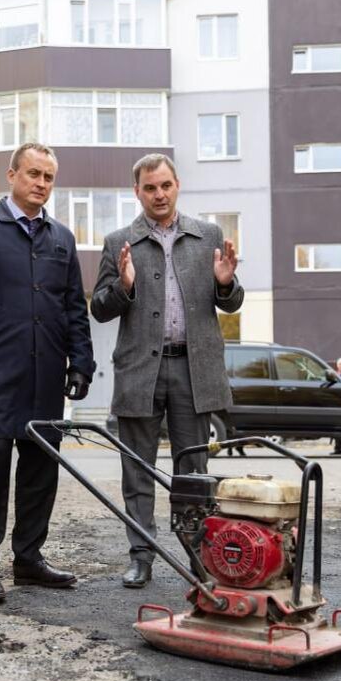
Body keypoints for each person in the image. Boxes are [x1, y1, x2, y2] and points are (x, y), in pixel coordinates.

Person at [0, 143, 95, 605]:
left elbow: (74, 307)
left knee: (40, 468)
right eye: (33, 173)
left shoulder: (61, 239)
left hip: (44, 372)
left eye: (48, 177)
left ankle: (29, 558)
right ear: (11, 174)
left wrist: (81, 361)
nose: (41, 184)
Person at [91, 153, 243, 589]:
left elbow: (230, 303)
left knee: (193, 471)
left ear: (178, 186)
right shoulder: (119, 240)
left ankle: (199, 556)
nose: (159, 194)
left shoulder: (208, 235)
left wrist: (226, 282)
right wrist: (122, 287)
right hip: (141, 370)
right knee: (136, 469)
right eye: (150, 188)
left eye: (166, 185)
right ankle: (141, 555)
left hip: (194, 370)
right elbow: (98, 308)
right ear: (137, 192)